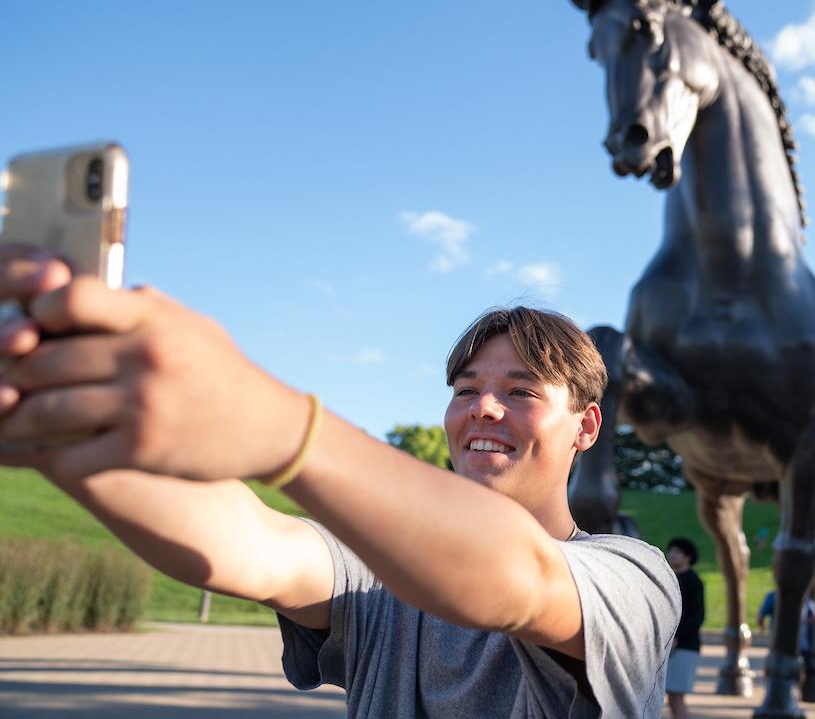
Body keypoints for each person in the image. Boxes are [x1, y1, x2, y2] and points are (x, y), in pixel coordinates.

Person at [0, 251, 681, 718]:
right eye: (466, 389)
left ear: (587, 427)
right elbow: (250, 542)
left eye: (521, 389)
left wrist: (280, 428)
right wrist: (66, 436)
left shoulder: (634, 578)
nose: (483, 408)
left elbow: (519, 578)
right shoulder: (384, 578)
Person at [664, 536, 705, 719]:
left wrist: (677, 638)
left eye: (677, 552)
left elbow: (696, 617)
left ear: (688, 556)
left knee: (676, 697)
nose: (672, 554)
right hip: (669, 645)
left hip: (685, 646)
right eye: (671, 550)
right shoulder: (669, 578)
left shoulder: (693, 581)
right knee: (671, 698)